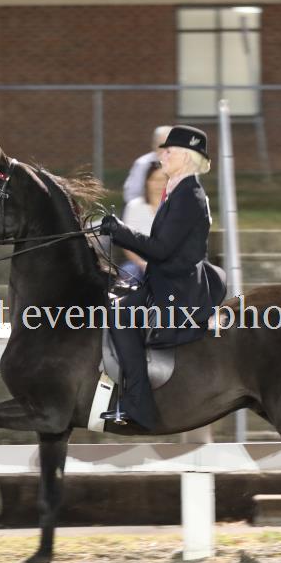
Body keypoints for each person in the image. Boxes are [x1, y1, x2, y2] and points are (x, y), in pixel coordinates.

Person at [99, 125, 225, 430]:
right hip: (165, 279)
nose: (162, 156)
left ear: (186, 157)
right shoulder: (178, 191)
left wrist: (119, 231)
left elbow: (162, 249)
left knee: (120, 315)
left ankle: (138, 405)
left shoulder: (189, 196)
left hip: (176, 289)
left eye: (168, 151)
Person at [119, 161, 168, 283]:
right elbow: (127, 242)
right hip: (139, 263)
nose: (159, 184)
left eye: (163, 180)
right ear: (147, 182)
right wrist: (141, 264)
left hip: (168, 263)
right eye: (155, 180)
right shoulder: (134, 206)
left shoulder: (175, 207)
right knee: (128, 273)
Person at [123, 125, 171, 204]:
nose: (166, 149)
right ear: (154, 145)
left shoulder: (183, 163)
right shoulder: (143, 164)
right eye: (162, 145)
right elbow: (131, 194)